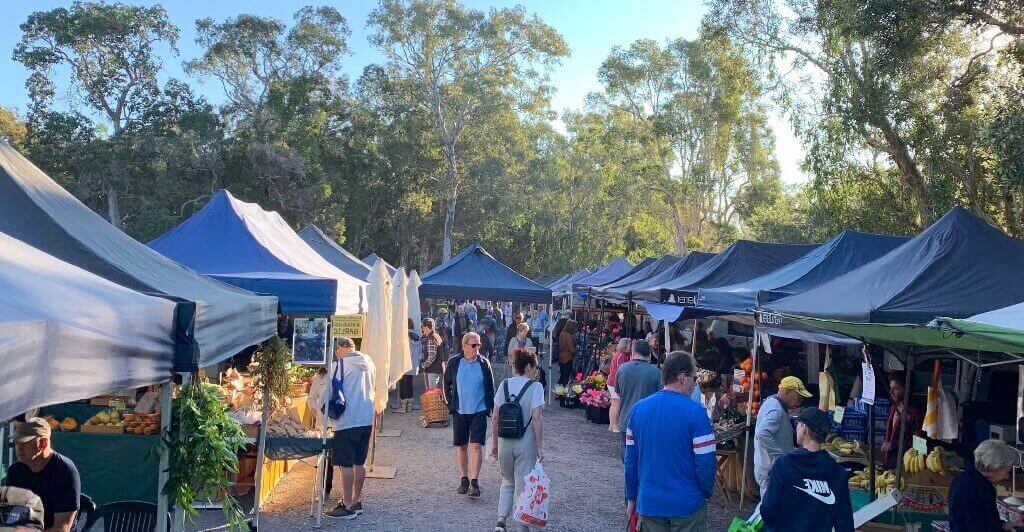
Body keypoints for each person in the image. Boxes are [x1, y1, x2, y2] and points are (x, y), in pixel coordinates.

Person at [624, 352, 715, 531]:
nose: (695, 383)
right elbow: (706, 463)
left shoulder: (637, 410)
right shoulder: (696, 412)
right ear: (683, 378)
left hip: (650, 504)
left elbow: (630, 461)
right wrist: (705, 492)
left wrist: (631, 497)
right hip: (687, 504)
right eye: (694, 378)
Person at [761, 408, 854, 532]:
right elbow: (845, 524)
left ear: (805, 428)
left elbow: (768, 509)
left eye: (798, 424)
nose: (796, 428)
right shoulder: (837, 472)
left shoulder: (783, 465)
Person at [490, 349, 546, 532]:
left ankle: (500, 521)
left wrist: (495, 444)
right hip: (525, 443)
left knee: (507, 481)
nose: (536, 371)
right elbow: (536, 418)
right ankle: (521, 527)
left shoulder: (504, 384)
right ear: (528, 366)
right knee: (522, 487)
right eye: (536, 367)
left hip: (505, 441)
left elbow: (495, 417)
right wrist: (540, 446)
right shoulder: (536, 387)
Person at [324, 337, 376, 520]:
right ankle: (356, 501)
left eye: (336, 351)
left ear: (340, 349)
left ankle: (346, 506)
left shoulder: (341, 365)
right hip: (366, 418)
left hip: (347, 420)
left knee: (345, 463)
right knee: (359, 463)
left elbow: (330, 393)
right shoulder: (369, 362)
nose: (335, 355)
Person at [443, 331, 496, 498]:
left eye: (479, 345)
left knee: (476, 446)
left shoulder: (484, 363)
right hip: (460, 411)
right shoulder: (454, 362)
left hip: (478, 411)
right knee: (462, 446)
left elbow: (490, 388)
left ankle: (475, 482)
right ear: (464, 346)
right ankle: (464, 478)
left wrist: (491, 408)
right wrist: (450, 404)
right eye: (473, 345)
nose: (477, 348)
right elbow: (446, 384)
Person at [4, 418, 81, 532]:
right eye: (16, 443)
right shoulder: (15, 471)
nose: (19, 448)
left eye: (26, 443)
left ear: (43, 443)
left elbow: (61, 529)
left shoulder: (65, 471)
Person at [754, 375, 812, 497]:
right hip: (771, 470)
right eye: (799, 396)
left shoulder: (771, 402)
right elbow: (763, 433)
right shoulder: (776, 410)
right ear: (787, 392)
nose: (801, 400)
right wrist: (780, 455)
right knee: (770, 510)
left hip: (767, 468)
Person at [949, 438, 1018, 532]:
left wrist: (1004, 525)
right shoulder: (976, 488)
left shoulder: (966, 478)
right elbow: (977, 527)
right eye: (1007, 471)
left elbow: (985, 520)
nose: (1007, 476)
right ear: (996, 466)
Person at [615, 340, 663, 458]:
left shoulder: (622, 369)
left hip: (626, 417)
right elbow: (662, 396)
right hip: (648, 420)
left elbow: (618, 392)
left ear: (633, 351)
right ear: (649, 353)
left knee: (626, 453)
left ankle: (629, 474)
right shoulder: (657, 373)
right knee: (645, 454)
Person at [880, 373, 922, 469]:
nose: (891, 392)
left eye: (895, 389)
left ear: (905, 389)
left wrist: (893, 445)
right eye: (891, 388)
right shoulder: (893, 408)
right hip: (889, 462)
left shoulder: (914, 412)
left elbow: (918, 445)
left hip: (904, 465)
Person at [395, 318, 422, 413]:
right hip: (413, 364)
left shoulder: (404, 336)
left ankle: (403, 406)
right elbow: (419, 352)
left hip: (404, 363)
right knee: (410, 384)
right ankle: (409, 405)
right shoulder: (417, 336)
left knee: (402, 384)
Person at [607, 338, 632, 433]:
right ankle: (615, 425)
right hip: (615, 383)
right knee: (616, 404)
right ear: (625, 346)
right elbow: (622, 371)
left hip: (611, 381)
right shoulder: (621, 356)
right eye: (629, 345)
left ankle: (611, 425)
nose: (630, 347)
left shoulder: (618, 354)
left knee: (614, 404)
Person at [420, 318, 445, 388]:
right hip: (438, 369)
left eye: (422, 327)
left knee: (433, 394)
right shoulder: (435, 335)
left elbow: (432, 356)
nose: (422, 329)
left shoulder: (431, 338)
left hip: (433, 370)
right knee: (436, 394)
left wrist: (423, 365)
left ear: (426, 327)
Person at [557, 319, 579, 386]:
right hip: (567, 359)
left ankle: (559, 391)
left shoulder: (562, 333)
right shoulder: (568, 336)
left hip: (561, 357)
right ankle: (562, 392)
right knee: (565, 378)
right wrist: (577, 348)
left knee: (562, 376)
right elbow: (572, 350)